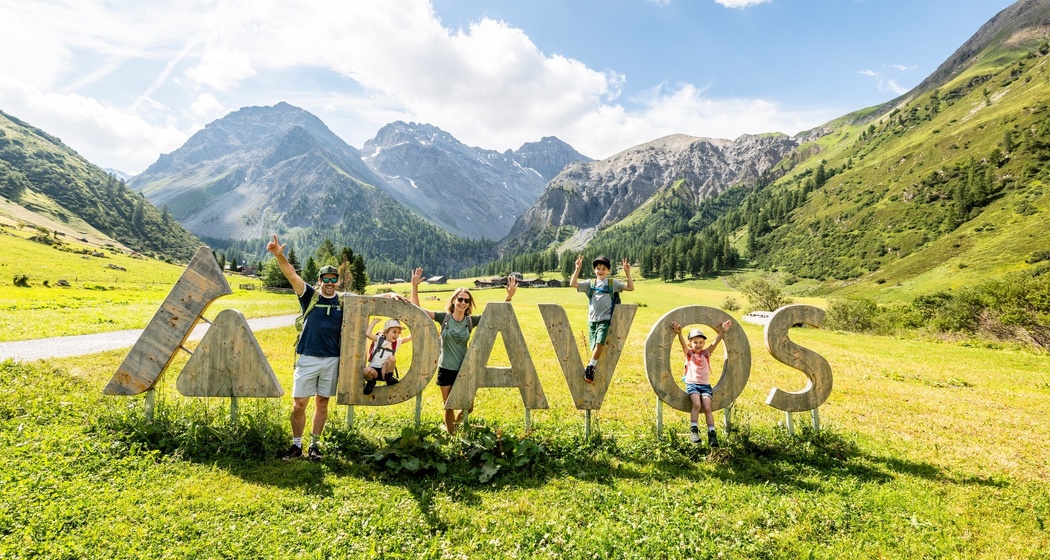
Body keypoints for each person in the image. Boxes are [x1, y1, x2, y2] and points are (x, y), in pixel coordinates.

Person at [266, 234, 402, 461]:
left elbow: (368, 300)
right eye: (325, 280)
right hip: (307, 356)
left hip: (332, 359)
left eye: (333, 280)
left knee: (322, 402)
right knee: (299, 404)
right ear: (319, 281)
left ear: (337, 282)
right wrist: (280, 257)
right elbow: (291, 274)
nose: (329, 284)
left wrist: (390, 295)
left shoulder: (343, 300)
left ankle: (314, 446)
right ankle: (296, 445)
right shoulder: (308, 295)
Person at [409, 267, 516, 434]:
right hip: (445, 368)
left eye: (466, 301)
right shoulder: (443, 318)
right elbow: (417, 310)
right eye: (460, 299)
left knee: (469, 406)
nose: (463, 303)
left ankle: (455, 426)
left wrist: (508, 297)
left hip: (464, 368)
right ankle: (452, 436)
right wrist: (414, 287)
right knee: (448, 406)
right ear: (454, 300)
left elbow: (495, 315)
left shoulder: (469, 321)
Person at [569, 255, 634, 383]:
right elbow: (573, 284)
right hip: (592, 320)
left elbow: (630, 288)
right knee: (594, 347)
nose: (600, 270)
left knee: (600, 342)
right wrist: (577, 269)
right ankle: (594, 366)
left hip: (605, 319)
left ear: (608, 270)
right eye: (598, 268)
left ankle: (590, 367)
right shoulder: (590, 283)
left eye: (604, 268)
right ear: (595, 270)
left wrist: (627, 273)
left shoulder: (612, 283)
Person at [670, 319, 732, 446]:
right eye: (695, 342)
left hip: (705, 385)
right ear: (690, 344)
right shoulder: (689, 354)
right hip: (692, 384)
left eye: (701, 342)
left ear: (703, 343)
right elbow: (682, 344)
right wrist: (679, 333)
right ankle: (694, 431)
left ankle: (712, 434)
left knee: (708, 408)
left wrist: (723, 331)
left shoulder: (706, 353)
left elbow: (716, 341)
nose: (698, 345)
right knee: (697, 405)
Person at [362, 318, 412, 395]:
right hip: (374, 370)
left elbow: (409, 338)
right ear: (386, 332)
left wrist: (414, 327)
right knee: (366, 371)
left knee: (392, 358)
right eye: (394, 332)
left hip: (384, 370)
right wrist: (374, 322)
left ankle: (389, 378)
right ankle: (371, 382)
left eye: (398, 333)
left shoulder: (397, 342)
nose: (396, 335)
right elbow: (368, 334)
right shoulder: (379, 339)